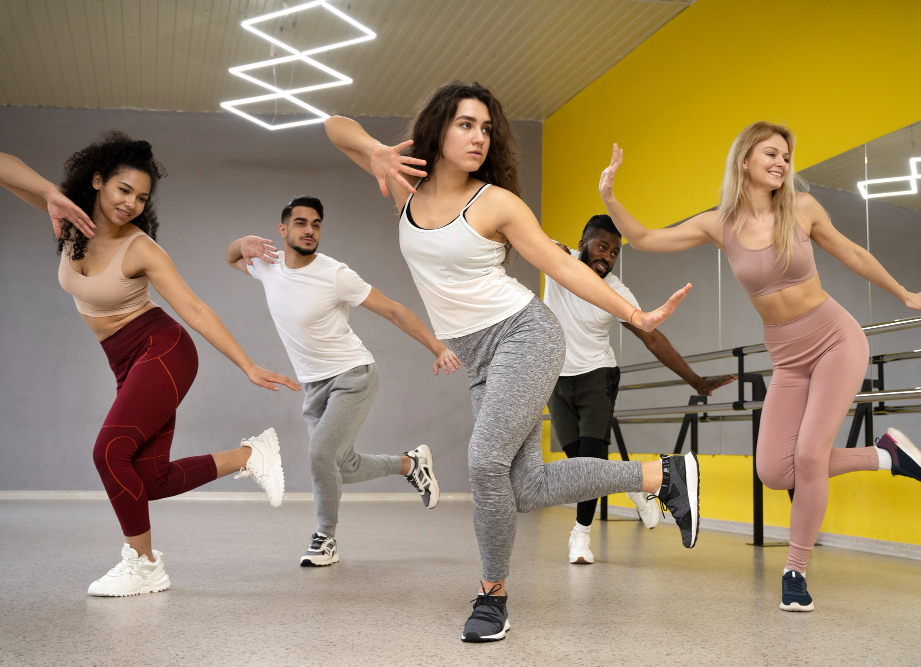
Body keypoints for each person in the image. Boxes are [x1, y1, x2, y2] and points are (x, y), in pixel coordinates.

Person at [324, 81, 700, 642]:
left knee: (482, 463)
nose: (479, 137)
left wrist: (635, 315)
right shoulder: (405, 187)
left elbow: (561, 265)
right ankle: (660, 474)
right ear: (438, 128)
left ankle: (492, 596)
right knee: (520, 487)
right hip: (480, 358)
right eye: (466, 124)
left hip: (524, 335)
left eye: (486, 128)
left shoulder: (495, 202)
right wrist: (377, 150)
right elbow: (333, 125)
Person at [598, 121, 921, 612]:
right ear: (744, 159)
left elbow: (851, 251)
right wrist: (611, 197)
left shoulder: (802, 210)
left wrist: (903, 294)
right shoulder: (719, 224)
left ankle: (795, 570)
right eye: (771, 153)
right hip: (787, 356)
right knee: (773, 469)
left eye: (786, 155)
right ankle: (886, 456)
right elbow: (645, 238)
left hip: (835, 340)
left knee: (809, 455)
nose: (782, 162)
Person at [1, 134, 300, 597]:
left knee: (109, 452)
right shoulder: (68, 222)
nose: (132, 203)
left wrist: (247, 365)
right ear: (97, 182)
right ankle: (251, 455)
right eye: (123, 190)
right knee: (148, 481)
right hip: (124, 361)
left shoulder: (140, 249)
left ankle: (143, 564)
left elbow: (195, 309)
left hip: (162, 350)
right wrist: (51, 194)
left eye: (141, 197)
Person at [226, 195, 460, 566]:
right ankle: (410, 465)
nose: (309, 230)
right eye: (301, 223)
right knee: (341, 466)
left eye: (316, 224)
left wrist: (437, 346)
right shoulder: (269, 267)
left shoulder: (334, 273)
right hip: (314, 385)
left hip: (353, 376)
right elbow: (232, 258)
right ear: (283, 230)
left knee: (320, 456)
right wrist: (241, 243)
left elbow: (394, 310)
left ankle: (326, 539)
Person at [545, 214, 735, 564]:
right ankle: (634, 485)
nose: (607, 256)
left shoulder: (616, 291)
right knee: (579, 465)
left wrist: (696, 381)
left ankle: (581, 536)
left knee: (588, 463)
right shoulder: (556, 260)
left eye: (615, 252)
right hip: (556, 379)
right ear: (582, 242)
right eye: (602, 246)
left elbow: (653, 338)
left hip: (597, 378)